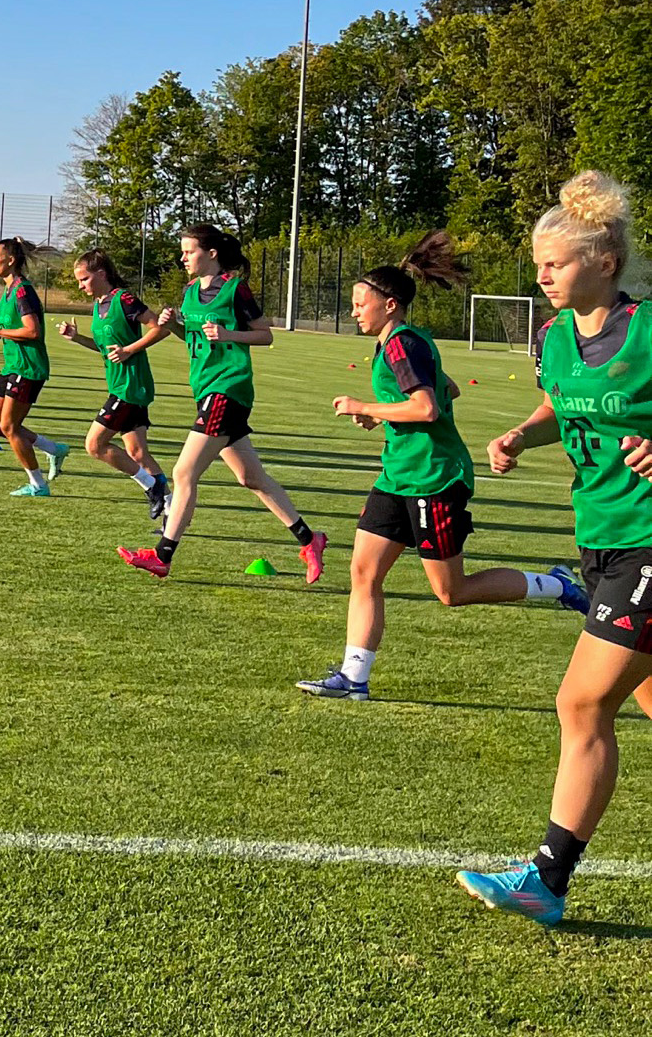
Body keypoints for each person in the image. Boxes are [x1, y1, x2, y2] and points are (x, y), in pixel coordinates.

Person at [456, 172, 652, 927]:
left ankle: (547, 878)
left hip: (649, 544)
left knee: (581, 701)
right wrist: (520, 434)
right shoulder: (550, 339)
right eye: (537, 265)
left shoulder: (646, 331)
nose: (540, 277)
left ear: (603, 260)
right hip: (600, 539)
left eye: (555, 264)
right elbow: (557, 405)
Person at [300, 232, 588, 701]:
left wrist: (368, 406)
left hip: (434, 479)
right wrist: (384, 411)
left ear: (389, 305)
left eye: (360, 303)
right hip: (399, 475)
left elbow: (428, 408)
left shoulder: (400, 345)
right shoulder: (399, 343)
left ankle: (555, 585)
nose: (354, 311)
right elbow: (448, 389)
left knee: (450, 591)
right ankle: (354, 678)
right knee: (363, 573)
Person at [118, 225, 326, 580]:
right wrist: (174, 326)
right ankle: (310, 540)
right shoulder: (188, 292)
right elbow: (195, 340)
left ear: (211, 253)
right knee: (251, 477)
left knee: (184, 473)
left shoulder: (234, 288)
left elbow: (266, 334)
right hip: (206, 389)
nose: (183, 258)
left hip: (229, 390)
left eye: (189, 251)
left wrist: (229, 333)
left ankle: (163, 556)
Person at [57, 250, 170, 518]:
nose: (80, 285)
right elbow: (106, 348)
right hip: (121, 385)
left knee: (94, 445)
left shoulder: (125, 300)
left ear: (101, 274)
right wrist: (77, 338)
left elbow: (160, 328)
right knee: (138, 453)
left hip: (129, 387)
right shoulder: (98, 305)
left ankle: (151, 485)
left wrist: (130, 349)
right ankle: (172, 509)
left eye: (84, 279)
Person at [0, 237, 70, 496]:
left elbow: (33, 331)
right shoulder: (9, 290)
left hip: (28, 368)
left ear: (10, 260)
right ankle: (54, 449)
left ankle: (38, 486)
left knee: (9, 426)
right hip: (12, 365)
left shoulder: (23, 290)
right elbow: (10, 330)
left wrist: (0, 332)